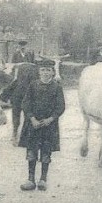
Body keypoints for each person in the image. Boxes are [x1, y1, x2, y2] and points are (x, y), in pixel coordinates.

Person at [18, 59, 66, 192]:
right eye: (43, 70)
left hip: (49, 127)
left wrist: (51, 119)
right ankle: (30, 179)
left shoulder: (57, 87)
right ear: (39, 72)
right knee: (32, 152)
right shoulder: (33, 85)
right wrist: (32, 118)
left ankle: (43, 179)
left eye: (48, 70)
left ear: (53, 72)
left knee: (46, 152)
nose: (45, 73)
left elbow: (60, 106)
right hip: (33, 125)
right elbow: (25, 104)